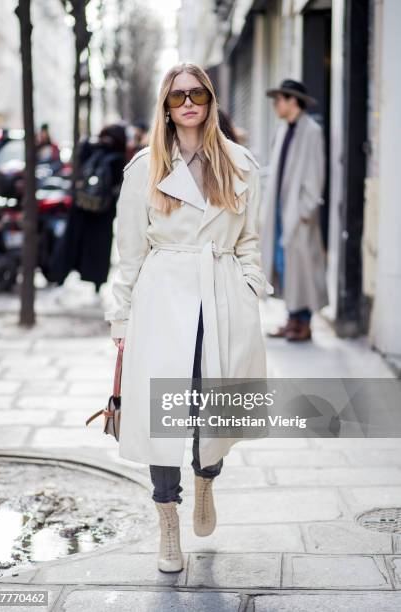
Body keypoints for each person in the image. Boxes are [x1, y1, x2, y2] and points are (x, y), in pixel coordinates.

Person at [104, 62, 273, 573]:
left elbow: (250, 240)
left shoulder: (240, 164)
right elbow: (128, 252)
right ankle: (168, 522)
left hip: (221, 296)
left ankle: (206, 479)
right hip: (162, 300)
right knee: (164, 416)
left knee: (213, 407)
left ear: (211, 99)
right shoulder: (145, 169)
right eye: (177, 96)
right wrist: (122, 323)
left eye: (197, 93)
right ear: (166, 107)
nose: (188, 102)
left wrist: (248, 287)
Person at [261, 79, 328, 341]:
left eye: (279, 99)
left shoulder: (310, 131)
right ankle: (292, 317)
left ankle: (304, 321)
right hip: (280, 208)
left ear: (292, 101)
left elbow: (315, 175)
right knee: (284, 264)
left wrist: (304, 212)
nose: (276, 104)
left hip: (297, 212)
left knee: (302, 268)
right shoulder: (283, 129)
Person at [48, 124, 127, 296]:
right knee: (95, 247)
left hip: (84, 207)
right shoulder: (118, 157)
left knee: (73, 243)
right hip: (102, 212)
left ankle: (62, 278)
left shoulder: (96, 151)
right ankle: (95, 283)